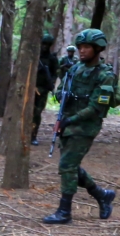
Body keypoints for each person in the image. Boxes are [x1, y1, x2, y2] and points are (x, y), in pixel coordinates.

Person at [43, 29, 116, 224]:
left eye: (87, 47)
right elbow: (61, 89)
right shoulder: (75, 69)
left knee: (66, 166)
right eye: (80, 47)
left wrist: (71, 120)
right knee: (71, 166)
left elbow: (95, 107)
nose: (82, 51)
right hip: (67, 121)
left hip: (85, 126)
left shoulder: (105, 75)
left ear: (97, 49)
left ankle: (64, 211)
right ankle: (102, 195)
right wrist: (61, 96)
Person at [32, 32, 60, 145]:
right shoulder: (34, 56)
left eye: (47, 45)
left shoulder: (52, 59)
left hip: (43, 90)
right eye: (43, 44)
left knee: (37, 113)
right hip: (30, 88)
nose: (45, 47)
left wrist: (51, 83)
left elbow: (55, 73)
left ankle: (33, 135)